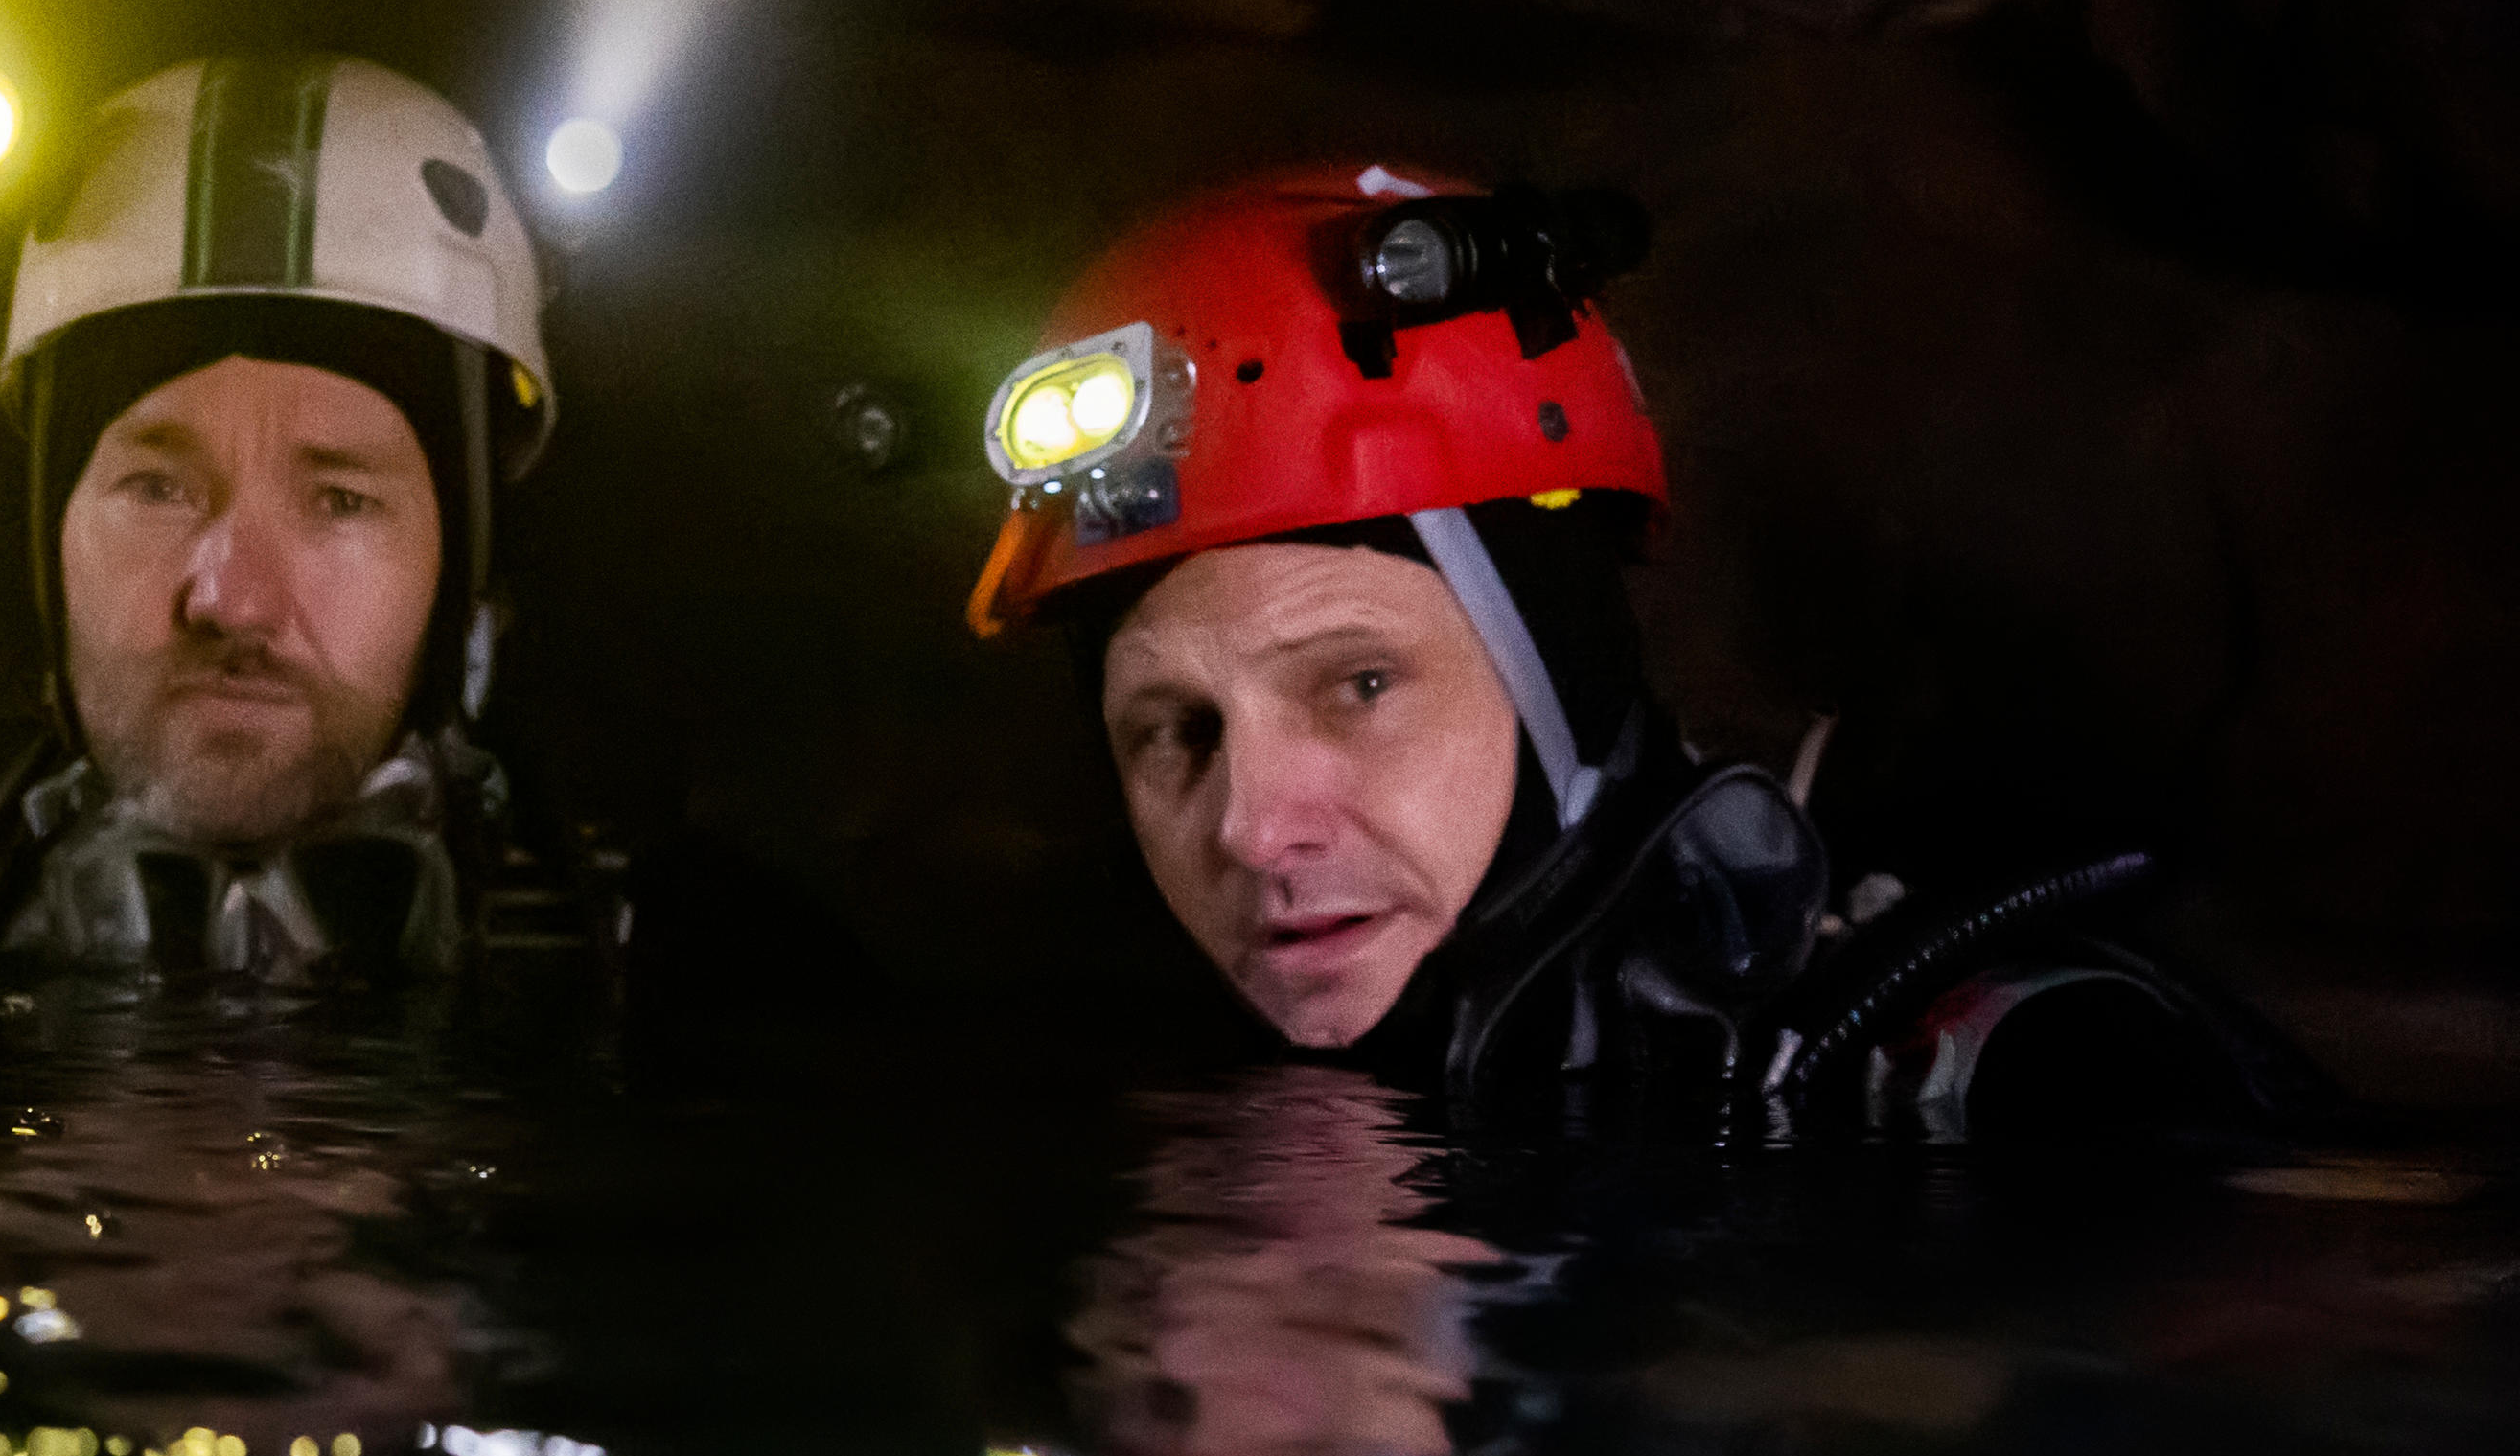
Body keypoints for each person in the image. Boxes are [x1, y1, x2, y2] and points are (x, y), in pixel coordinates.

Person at [965, 163, 2317, 1135]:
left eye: (1359, 683)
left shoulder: (2030, 1079)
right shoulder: (1116, 1076)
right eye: (1173, 730)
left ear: (1557, 671)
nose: (1253, 828)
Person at [0, 55, 589, 984]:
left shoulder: (698, 964)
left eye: (339, 500)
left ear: (461, 570)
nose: (231, 603)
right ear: (44, 538)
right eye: (158, 488)